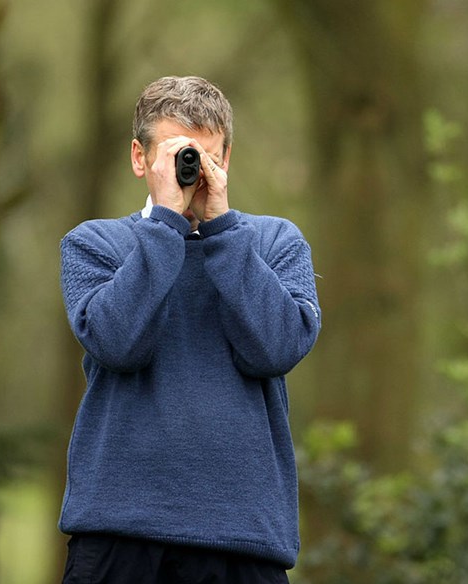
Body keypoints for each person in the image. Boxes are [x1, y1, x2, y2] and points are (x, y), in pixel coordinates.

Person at [57, 75, 321, 583]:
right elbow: (118, 343)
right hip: (118, 535)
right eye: (180, 154)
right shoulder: (95, 244)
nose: (195, 171)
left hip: (243, 539)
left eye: (209, 156)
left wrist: (221, 230)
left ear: (227, 159)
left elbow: (277, 348)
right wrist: (165, 226)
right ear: (140, 158)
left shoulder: (272, 243)